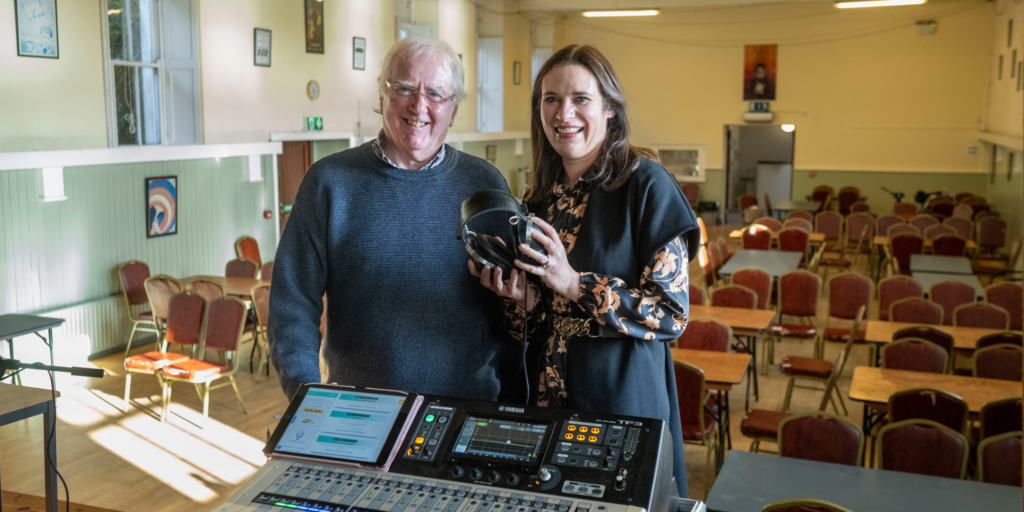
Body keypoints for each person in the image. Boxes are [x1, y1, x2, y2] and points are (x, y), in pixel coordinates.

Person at [470, 45, 699, 498]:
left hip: (622, 396)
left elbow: (671, 314)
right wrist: (520, 300)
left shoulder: (646, 186)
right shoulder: (539, 201)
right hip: (548, 398)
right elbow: (539, 324)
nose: (563, 113)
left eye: (580, 99)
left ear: (610, 109)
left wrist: (575, 283)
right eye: (550, 99)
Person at [269, 37, 513, 401]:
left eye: (435, 94)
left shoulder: (485, 185)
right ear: (381, 96)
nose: (419, 105)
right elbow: (292, 303)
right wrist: (306, 394)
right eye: (404, 89)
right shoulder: (329, 183)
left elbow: (512, 310)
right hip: (360, 412)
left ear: (453, 108)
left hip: (467, 412)